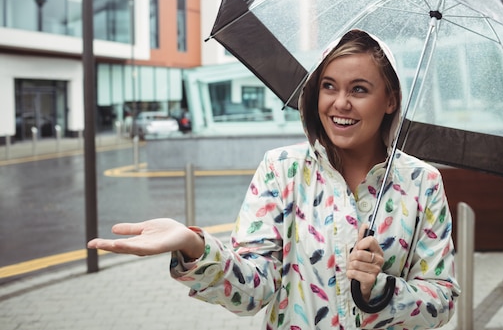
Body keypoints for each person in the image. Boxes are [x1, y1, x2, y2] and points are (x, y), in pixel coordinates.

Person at [88, 29, 460, 329]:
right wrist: (194, 247)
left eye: (359, 89)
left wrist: (379, 290)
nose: (339, 103)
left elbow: (442, 300)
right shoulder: (282, 169)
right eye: (329, 86)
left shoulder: (421, 182)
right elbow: (254, 291)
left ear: (391, 100)